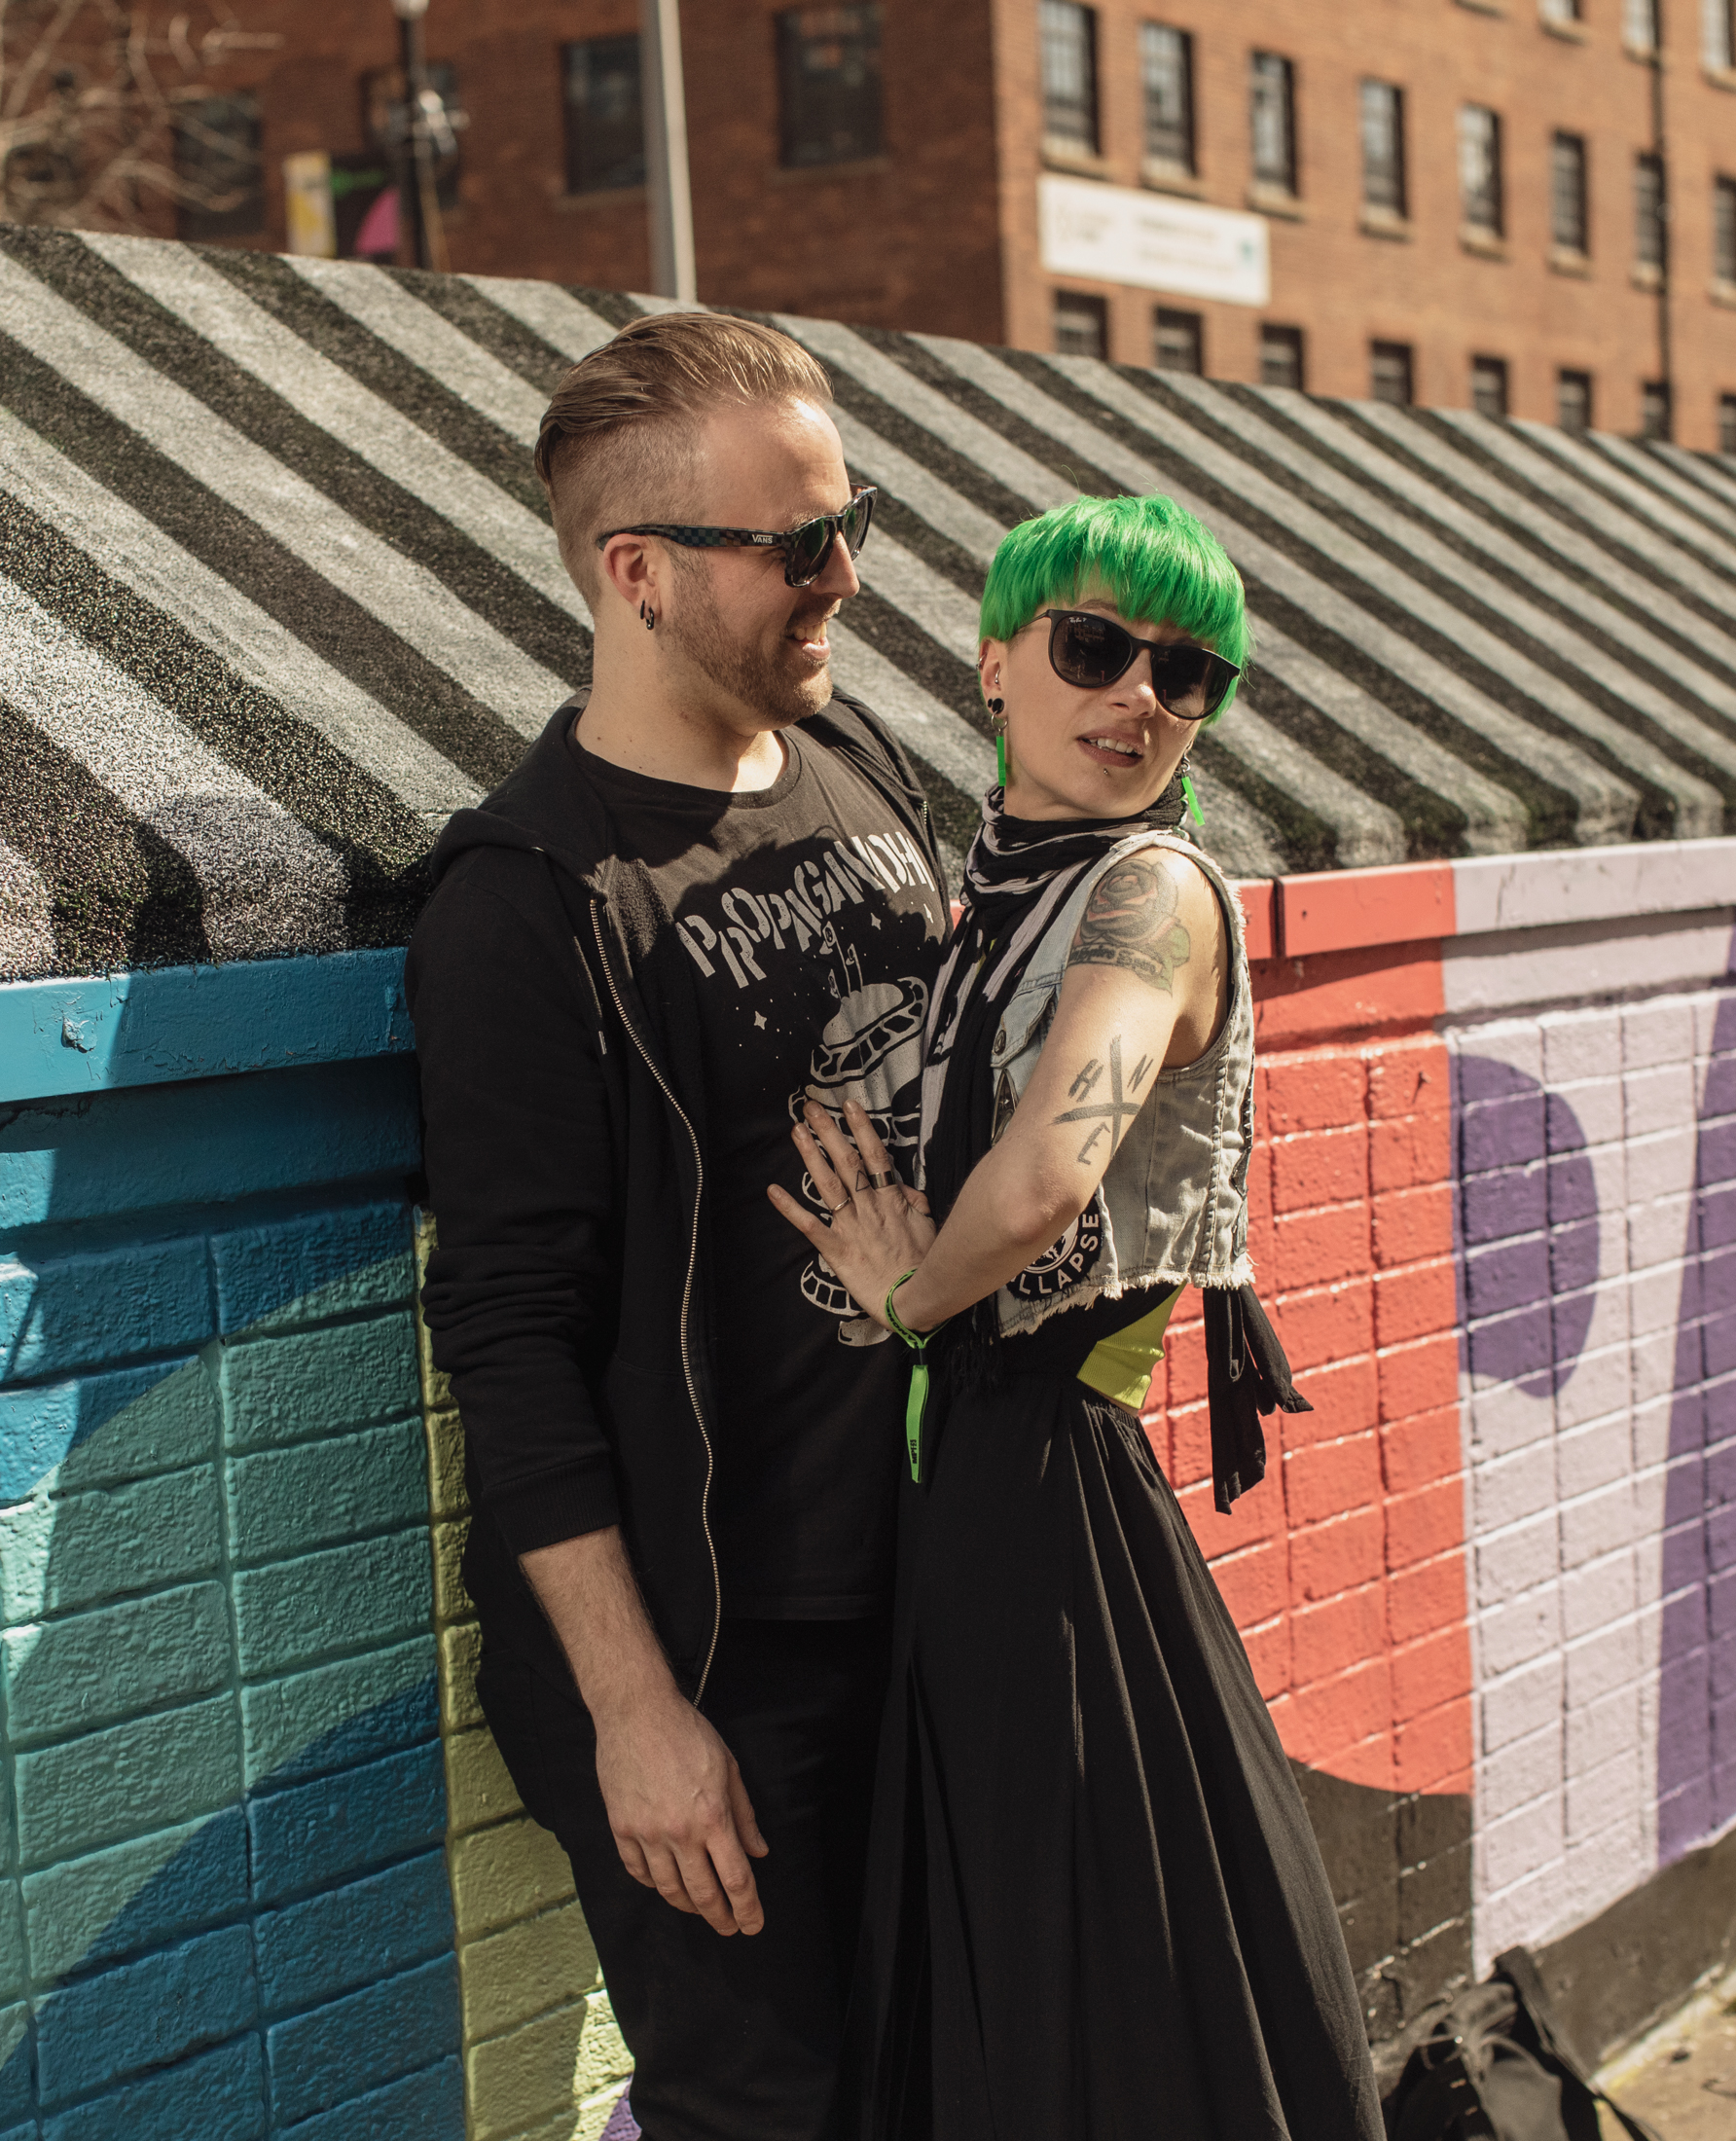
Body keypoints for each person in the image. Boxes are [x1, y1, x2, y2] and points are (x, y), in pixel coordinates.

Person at [777, 494, 1388, 2141]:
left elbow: (1050, 1176)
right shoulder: (991, 897)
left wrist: (897, 1290)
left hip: (1042, 1476)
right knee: (1038, 1934)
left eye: (1189, 677)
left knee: (1084, 1947)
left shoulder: (1149, 895)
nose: (1141, 700)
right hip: (969, 1472)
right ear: (995, 663)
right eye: (1097, 647)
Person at [408, 311, 947, 2141]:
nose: (843, 580)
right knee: (768, 2117)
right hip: (730, 1658)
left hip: (927, 1593)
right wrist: (635, 1716)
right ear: (634, 571)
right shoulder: (532, 901)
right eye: (793, 545)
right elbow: (507, 1335)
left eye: (847, 523)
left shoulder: (865, 769)